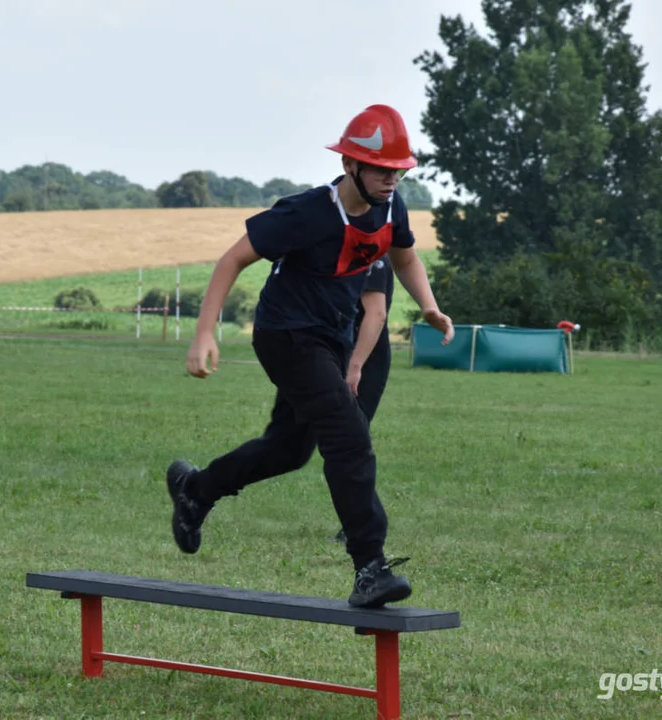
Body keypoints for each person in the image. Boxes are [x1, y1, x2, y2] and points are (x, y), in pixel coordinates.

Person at [166, 105, 454, 608]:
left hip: (332, 337)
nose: (392, 180)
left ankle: (196, 489)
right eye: (382, 170)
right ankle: (370, 567)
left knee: (289, 450)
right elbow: (233, 258)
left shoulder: (392, 208)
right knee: (349, 436)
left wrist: (428, 306)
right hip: (286, 335)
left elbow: (405, 256)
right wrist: (204, 332)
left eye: (399, 170)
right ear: (351, 167)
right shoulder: (308, 212)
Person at [332, 255, 394, 543]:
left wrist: (355, 366)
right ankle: (359, 520)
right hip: (337, 352)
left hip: (365, 358)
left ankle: (361, 522)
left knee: (353, 439)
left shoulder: (372, 255)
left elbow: (376, 314)